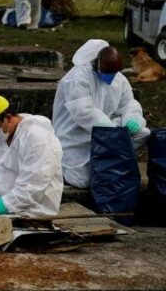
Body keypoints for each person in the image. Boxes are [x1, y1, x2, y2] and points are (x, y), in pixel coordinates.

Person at [53, 39, 150, 188]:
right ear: (96, 63)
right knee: (82, 181)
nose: (111, 78)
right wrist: (109, 130)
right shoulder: (77, 78)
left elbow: (128, 103)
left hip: (107, 131)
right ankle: (102, 163)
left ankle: (111, 161)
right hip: (76, 136)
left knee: (142, 133)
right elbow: (84, 113)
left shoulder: (118, 79)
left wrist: (132, 116)